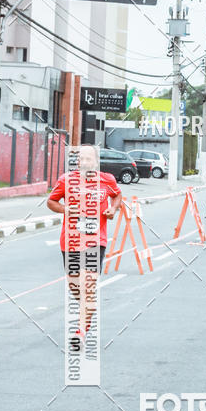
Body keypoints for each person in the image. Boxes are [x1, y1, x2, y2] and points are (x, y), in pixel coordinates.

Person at [47, 145, 121, 348]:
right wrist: (65, 209)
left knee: (87, 283)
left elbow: (117, 196)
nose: (86, 162)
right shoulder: (66, 180)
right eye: (83, 159)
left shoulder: (107, 180)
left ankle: (80, 331)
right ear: (78, 162)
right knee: (74, 285)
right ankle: (87, 310)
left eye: (90, 159)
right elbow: (51, 202)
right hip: (70, 240)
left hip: (96, 240)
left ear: (96, 162)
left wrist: (113, 209)